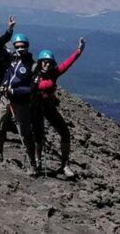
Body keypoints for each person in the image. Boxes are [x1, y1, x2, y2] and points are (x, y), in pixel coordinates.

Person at [32, 38, 86, 178]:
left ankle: (64, 165)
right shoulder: (33, 74)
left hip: (49, 107)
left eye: (49, 62)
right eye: (44, 61)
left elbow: (68, 64)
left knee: (65, 132)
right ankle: (37, 162)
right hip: (36, 108)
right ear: (40, 62)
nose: (47, 64)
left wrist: (79, 50)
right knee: (38, 136)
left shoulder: (54, 73)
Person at [0, 33, 38, 176]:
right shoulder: (12, 59)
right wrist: (4, 85)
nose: (20, 49)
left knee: (24, 133)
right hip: (5, 98)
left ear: (27, 46)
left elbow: (32, 88)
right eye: (17, 46)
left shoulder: (32, 65)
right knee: (0, 123)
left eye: (23, 46)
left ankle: (32, 163)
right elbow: (7, 74)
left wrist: (14, 90)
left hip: (21, 102)